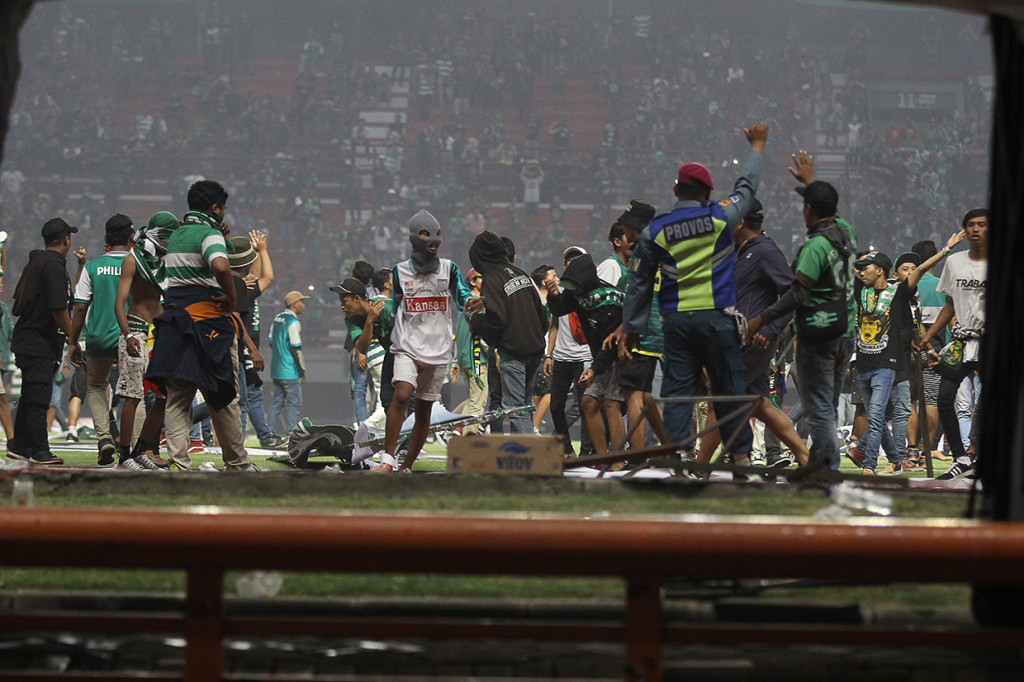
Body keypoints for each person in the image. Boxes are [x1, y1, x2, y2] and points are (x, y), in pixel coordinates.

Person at [624, 124, 770, 469]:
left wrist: (631, 329)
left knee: (678, 394)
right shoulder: (722, 217)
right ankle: (741, 460)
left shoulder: (654, 231)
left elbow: (639, 283)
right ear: (707, 193)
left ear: (676, 189)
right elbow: (745, 189)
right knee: (729, 390)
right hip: (718, 320)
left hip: (677, 324)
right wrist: (757, 146)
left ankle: (678, 457)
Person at [749, 151, 857, 471]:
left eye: (805, 203)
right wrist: (811, 181)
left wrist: (762, 318)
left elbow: (797, 292)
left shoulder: (815, 247)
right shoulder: (846, 234)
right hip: (844, 332)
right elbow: (831, 210)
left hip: (817, 335)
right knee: (827, 405)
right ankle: (820, 466)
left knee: (818, 407)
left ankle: (825, 469)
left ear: (808, 209)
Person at [145, 179, 258, 471]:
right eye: (223, 209)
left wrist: (222, 237)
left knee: (177, 398)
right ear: (215, 208)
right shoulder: (209, 234)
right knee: (221, 395)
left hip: (173, 323)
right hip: (208, 323)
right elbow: (221, 266)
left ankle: (178, 464)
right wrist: (231, 296)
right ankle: (237, 462)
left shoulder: (178, 235)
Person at [696, 198, 808, 468]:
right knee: (759, 404)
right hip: (733, 337)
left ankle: (699, 467)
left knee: (719, 401)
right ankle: (806, 458)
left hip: (752, 339)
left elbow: (793, 294)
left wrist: (770, 329)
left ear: (741, 221)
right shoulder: (734, 251)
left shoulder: (765, 251)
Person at [373, 210, 480, 473]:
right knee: (402, 394)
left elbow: (462, 295)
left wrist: (471, 303)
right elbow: (398, 306)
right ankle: (388, 460)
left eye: (437, 234)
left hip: (439, 349)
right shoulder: (399, 272)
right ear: (413, 238)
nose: (433, 239)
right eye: (425, 234)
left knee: (423, 410)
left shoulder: (449, 268)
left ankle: (406, 466)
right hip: (407, 346)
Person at [850, 235, 961, 475]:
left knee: (878, 414)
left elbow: (921, 269)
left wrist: (946, 249)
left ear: (880, 271)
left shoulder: (898, 293)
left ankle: (868, 464)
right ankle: (896, 461)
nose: (860, 273)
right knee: (876, 417)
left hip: (886, 364)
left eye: (865, 268)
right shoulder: (860, 289)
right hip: (863, 363)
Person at [917, 208, 988, 480]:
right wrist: (928, 333)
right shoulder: (955, 262)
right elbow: (949, 303)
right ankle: (961, 458)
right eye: (970, 225)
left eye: (981, 224)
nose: (975, 229)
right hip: (959, 342)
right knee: (945, 398)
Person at [7, 218, 80, 465]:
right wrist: (72, 338)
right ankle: (40, 451)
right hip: (39, 342)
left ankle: (20, 446)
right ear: (66, 240)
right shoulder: (53, 267)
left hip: (28, 339)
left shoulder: (37, 262)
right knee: (39, 398)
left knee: (30, 395)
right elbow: (59, 308)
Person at [113, 211, 177, 470]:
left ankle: (142, 449)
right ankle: (125, 455)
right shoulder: (133, 260)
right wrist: (128, 334)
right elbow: (119, 304)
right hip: (137, 330)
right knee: (133, 395)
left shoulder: (164, 261)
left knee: (164, 395)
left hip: (159, 332)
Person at [68, 214, 134, 466]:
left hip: (97, 339)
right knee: (133, 393)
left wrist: (73, 341)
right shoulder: (138, 265)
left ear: (106, 238)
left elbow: (80, 307)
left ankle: (105, 438)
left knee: (96, 386)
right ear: (131, 238)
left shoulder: (92, 267)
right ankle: (135, 447)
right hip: (131, 337)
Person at [468, 231, 548, 435]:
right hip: (535, 351)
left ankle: (532, 459)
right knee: (525, 407)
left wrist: (477, 322)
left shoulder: (492, 278)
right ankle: (519, 459)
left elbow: (497, 319)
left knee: (515, 410)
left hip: (513, 353)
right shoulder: (521, 273)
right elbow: (542, 316)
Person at [545, 253, 625, 455]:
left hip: (620, 356)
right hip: (599, 357)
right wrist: (553, 294)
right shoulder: (578, 294)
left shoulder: (610, 301)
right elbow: (560, 309)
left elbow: (611, 345)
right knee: (588, 403)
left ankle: (617, 458)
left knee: (611, 405)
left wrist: (593, 369)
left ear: (588, 282)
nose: (575, 293)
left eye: (577, 289)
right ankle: (598, 457)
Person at [227, 231, 284, 448]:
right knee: (245, 396)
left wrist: (258, 253)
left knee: (249, 393)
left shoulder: (241, 285)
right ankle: (245, 442)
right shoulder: (239, 287)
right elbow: (267, 277)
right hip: (244, 345)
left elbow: (259, 275)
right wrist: (263, 251)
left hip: (245, 344)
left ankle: (263, 435)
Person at [543, 246, 594, 456]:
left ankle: (586, 452)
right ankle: (566, 448)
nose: (572, 263)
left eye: (577, 260)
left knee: (585, 407)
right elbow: (554, 324)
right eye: (569, 260)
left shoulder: (589, 291)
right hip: (562, 357)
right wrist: (549, 354)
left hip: (585, 357)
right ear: (564, 266)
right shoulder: (559, 292)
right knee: (555, 406)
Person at [335, 276, 395, 430]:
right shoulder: (351, 319)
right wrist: (370, 320)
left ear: (356, 299)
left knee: (398, 402)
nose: (342, 306)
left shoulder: (387, 308)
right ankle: (373, 436)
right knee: (389, 402)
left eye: (344, 301)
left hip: (406, 356)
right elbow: (362, 348)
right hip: (388, 356)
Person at [450, 269, 488, 435]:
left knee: (474, 399)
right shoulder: (478, 303)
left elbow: (458, 333)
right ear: (473, 281)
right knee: (478, 403)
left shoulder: (463, 302)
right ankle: (468, 438)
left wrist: (456, 361)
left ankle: (450, 423)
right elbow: (483, 333)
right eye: (482, 278)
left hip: (465, 358)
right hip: (477, 358)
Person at [268, 290, 309, 434]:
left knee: (276, 403)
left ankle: (268, 433)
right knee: (294, 403)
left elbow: (271, 341)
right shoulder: (293, 322)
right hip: (290, 370)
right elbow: (296, 348)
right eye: (301, 302)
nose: (303, 305)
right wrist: (302, 371)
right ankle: (290, 434)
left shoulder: (277, 318)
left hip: (276, 369)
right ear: (294, 304)